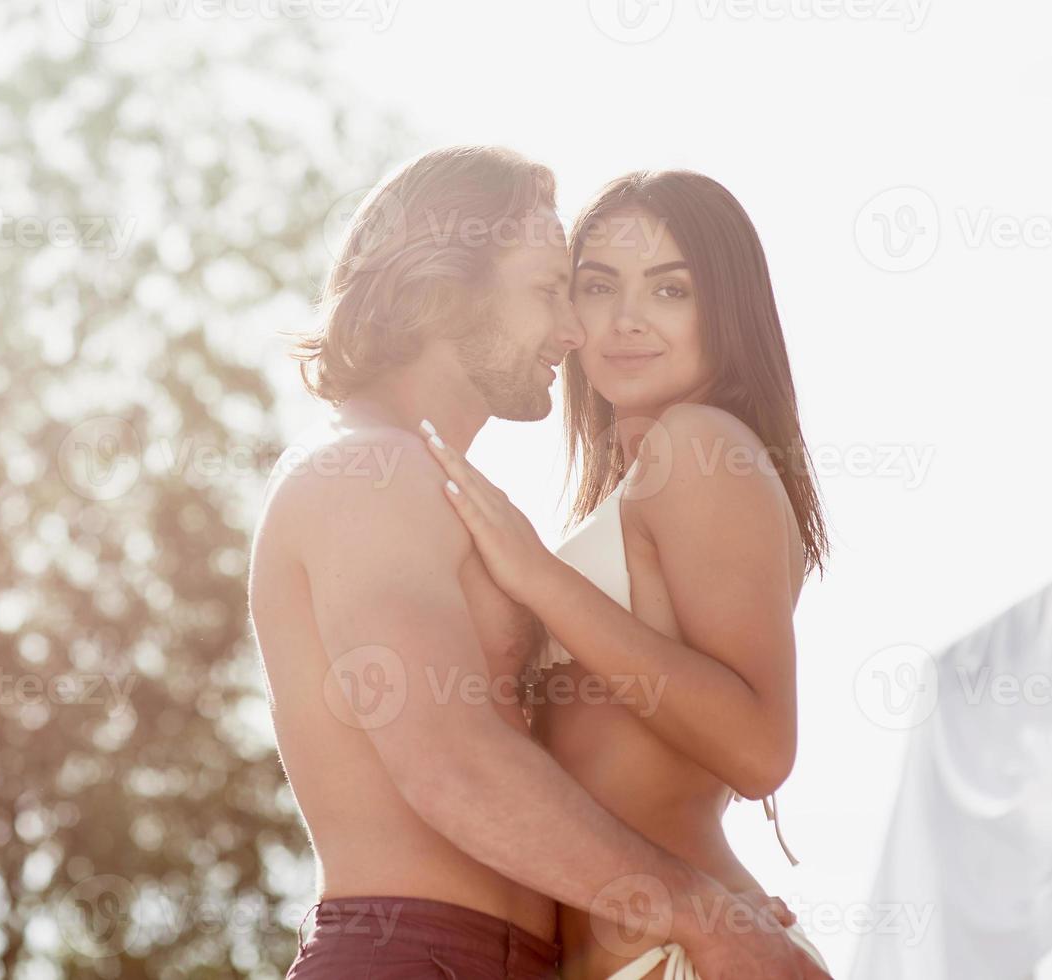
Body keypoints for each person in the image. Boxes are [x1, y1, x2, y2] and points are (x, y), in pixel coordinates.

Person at [248, 146, 831, 979]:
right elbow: (453, 761)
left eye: (669, 288)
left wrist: (695, 906)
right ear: (444, 288)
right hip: (420, 953)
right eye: (558, 289)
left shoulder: (469, 501)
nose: (578, 330)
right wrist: (696, 909)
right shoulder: (361, 472)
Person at [418, 169, 833, 978]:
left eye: (671, 290)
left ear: (728, 309)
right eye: (598, 286)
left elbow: (758, 749)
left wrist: (541, 579)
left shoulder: (700, 444)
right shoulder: (644, 481)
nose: (628, 320)